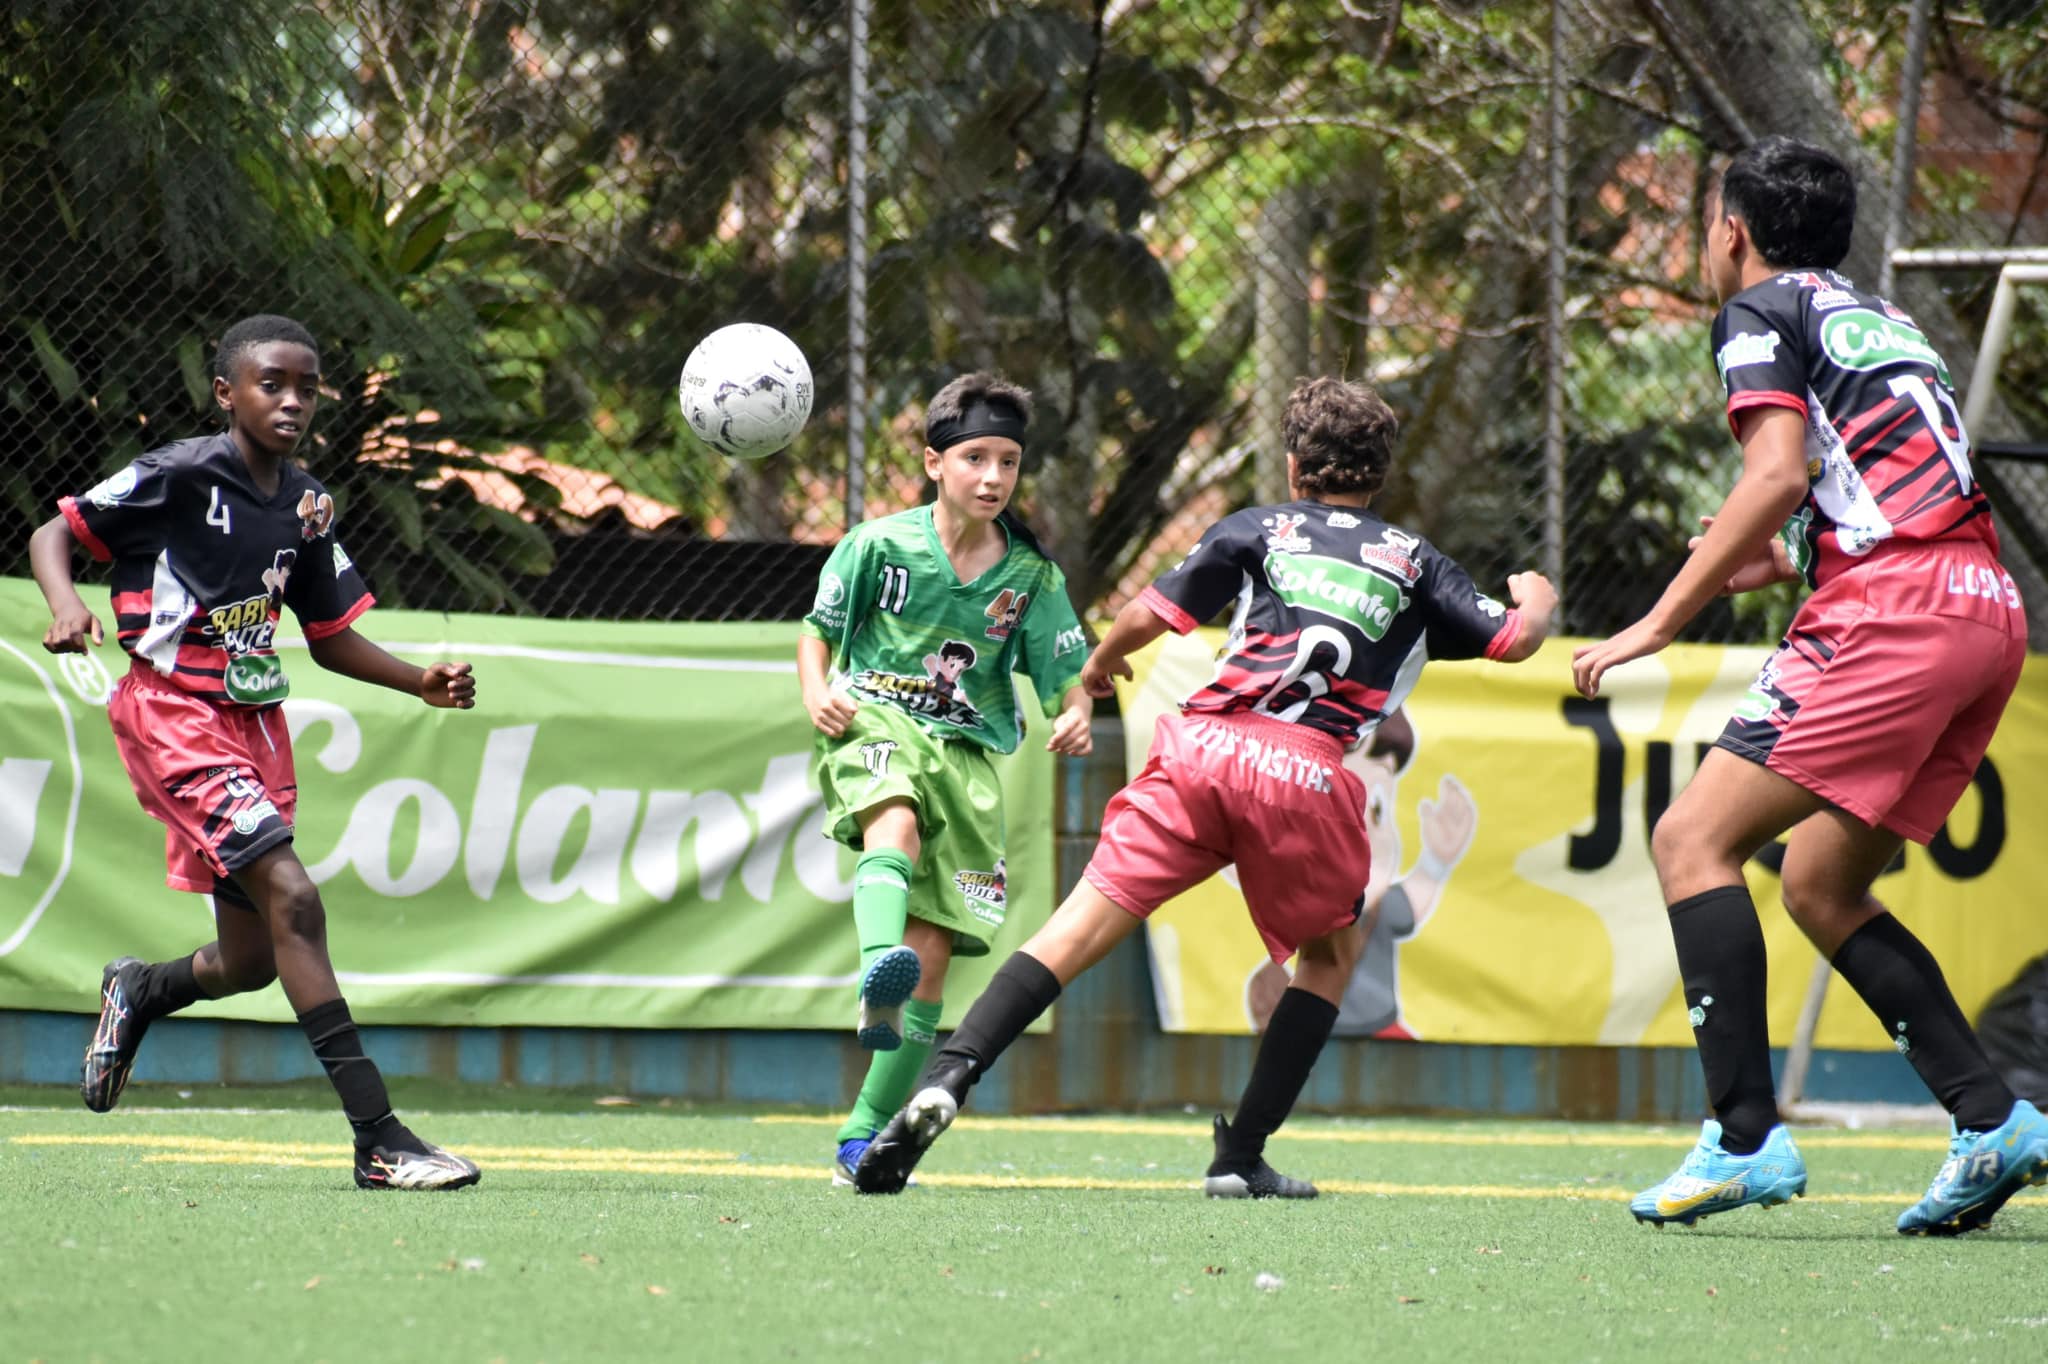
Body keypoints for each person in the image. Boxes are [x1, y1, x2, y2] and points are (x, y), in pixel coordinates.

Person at [854, 375, 1557, 1196]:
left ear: (1295, 467)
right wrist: (1535, 603)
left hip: (1201, 748)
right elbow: (1509, 641)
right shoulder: (1414, 561)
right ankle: (1241, 1156)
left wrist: (1105, 659)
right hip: (1306, 770)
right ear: (1381, 474)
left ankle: (949, 1076)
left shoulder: (1261, 528)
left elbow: (1152, 612)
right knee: (1333, 953)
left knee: (1075, 928)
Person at [1571, 136, 2047, 1234]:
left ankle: (1742, 1136)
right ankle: (1990, 1118)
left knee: (1691, 840)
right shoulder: (1881, 317)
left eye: (1703, 220)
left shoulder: (1756, 311)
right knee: (1820, 884)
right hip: (1981, 609)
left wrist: (1650, 623)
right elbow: (1844, 490)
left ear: (1728, 228)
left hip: (1893, 610)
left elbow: (1777, 471)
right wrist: (1774, 557)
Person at [29, 313, 481, 1191]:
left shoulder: (309, 502)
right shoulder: (176, 473)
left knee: (252, 959)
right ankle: (380, 1139)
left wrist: (417, 680)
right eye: (272, 382)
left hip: (255, 726)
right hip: (171, 713)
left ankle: (144, 988)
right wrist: (65, 604)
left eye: (307, 386)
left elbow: (329, 637)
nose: (292, 400)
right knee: (295, 898)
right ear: (226, 392)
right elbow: (58, 533)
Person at [797, 371, 1093, 1185]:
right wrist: (817, 690)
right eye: (974, 458)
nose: (993, 476)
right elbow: (816, 634)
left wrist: (1075, 712)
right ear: (934, 463)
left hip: (968, 759)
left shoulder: (1032, 581)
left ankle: (863, 1135)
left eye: (1007, 461)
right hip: (876, 721)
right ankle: (873, 977)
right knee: (890, 823)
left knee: (931, 959)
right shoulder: (877, 546)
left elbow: (1070, 676)